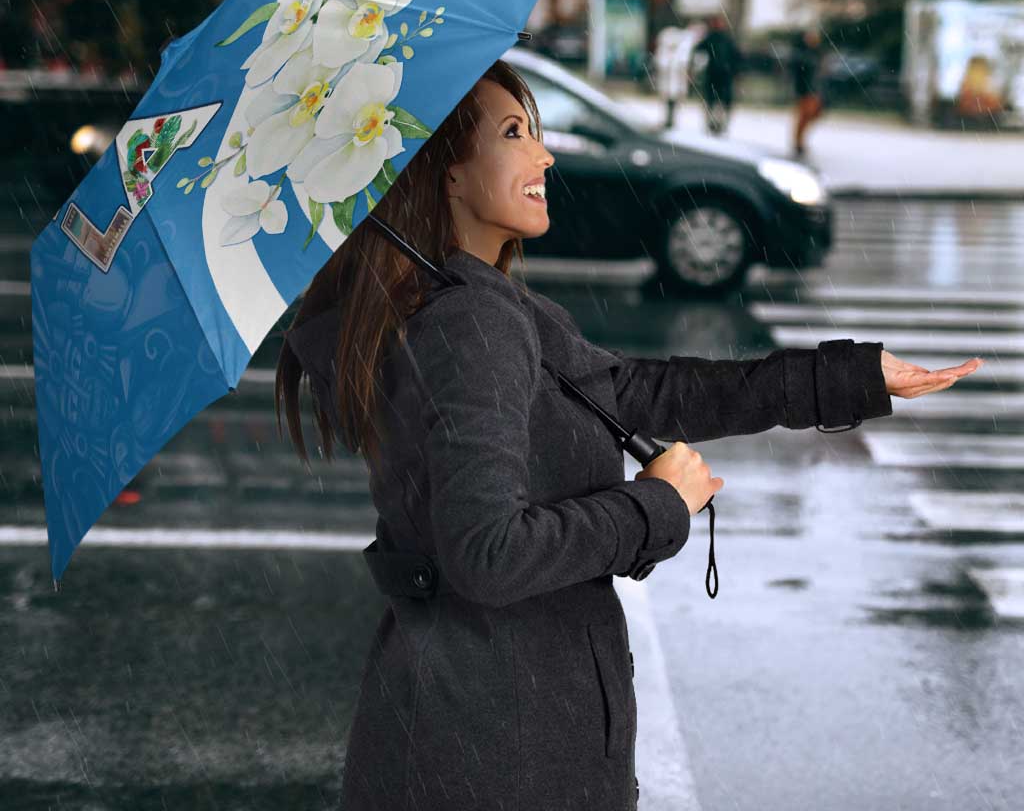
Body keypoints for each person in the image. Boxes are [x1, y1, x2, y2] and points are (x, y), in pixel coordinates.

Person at [276, 58, 974, 811]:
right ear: (445, 172)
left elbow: (639, 392)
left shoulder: (475, 303)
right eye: (514, 133)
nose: (544, 155)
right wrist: (656, 506)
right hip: (500, 750)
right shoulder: (469, 323)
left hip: (479, 728)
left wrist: (850, 378)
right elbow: (487, 555)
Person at [692, 13, 742, 136]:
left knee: (720, 102)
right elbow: (698, 51)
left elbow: (736, 57)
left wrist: (735, 71)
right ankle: (713, 124)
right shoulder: (712, 38)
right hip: (715, 75)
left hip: (723, 75)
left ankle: (719, 124)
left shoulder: (725, 39)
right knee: (713, 101)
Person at [790, 26, 826, 158]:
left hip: (814, 90)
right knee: (804, 116)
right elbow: (799, 73)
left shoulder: (817, 53)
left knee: (812, 115)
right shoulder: (802, 54)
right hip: (805, 90)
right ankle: (798, 142)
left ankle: (800, 141)